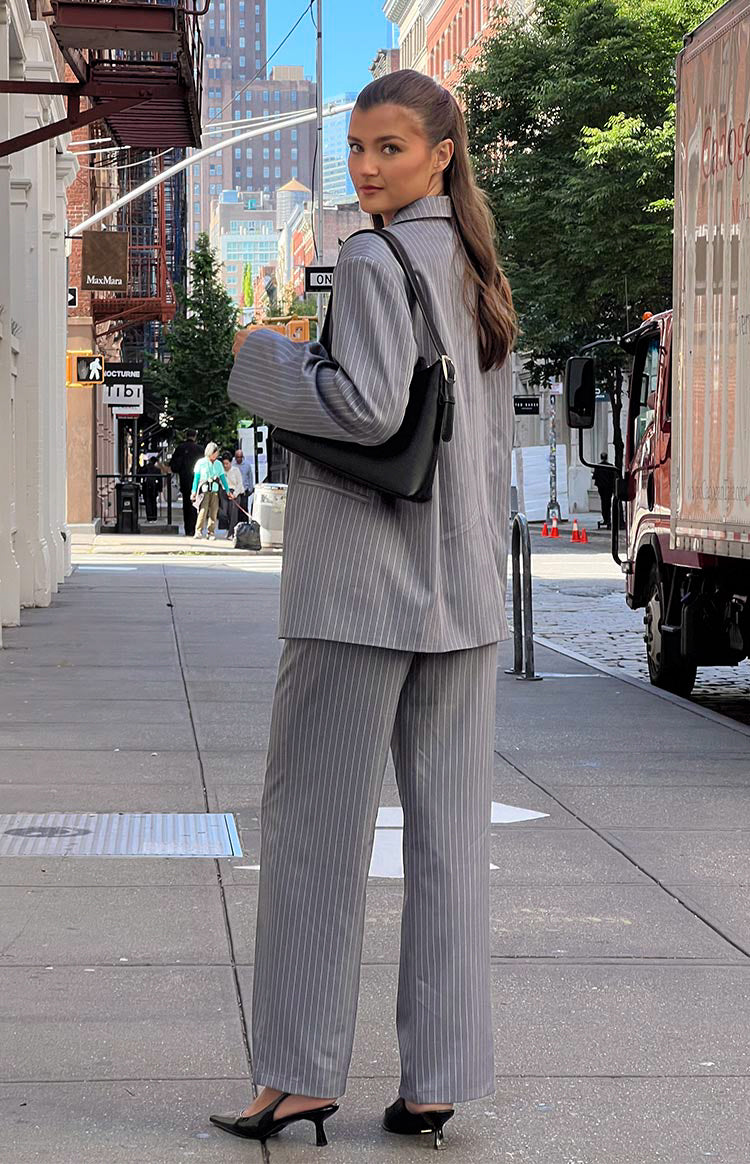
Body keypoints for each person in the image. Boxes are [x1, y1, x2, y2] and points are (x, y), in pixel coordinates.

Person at [213, 69, 517, 1150]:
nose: (366, 167)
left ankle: (297, 1075)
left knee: (312, 838)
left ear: (440, 154)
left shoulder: (371, 255)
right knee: (449, 843)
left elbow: (366, 406)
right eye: (356, 148)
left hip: (358, 597)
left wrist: (263, 362)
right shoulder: (476, 266)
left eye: (390, 148)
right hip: (465, 596)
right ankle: (436, 1076)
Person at [191, 442, 230, 540]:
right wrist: (194, 491)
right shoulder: (201, 462)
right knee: (202, 511)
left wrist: (227, 490)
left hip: (215, 489)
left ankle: (211, 532)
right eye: (214, 453)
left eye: (216, 453)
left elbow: (222, 478)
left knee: (214, 512)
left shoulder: (218, 464)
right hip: (204, 490)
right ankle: (198, 531)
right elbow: (196, 478)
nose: (215, 455)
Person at [169, 429, 202, 537]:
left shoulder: (180, 448)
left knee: (186, 505)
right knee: (197, 505)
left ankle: (188, 529)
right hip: (198, 482)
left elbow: (174, 466)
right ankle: (196, 528)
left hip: (185, 480)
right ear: (195, 436)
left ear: (186, 436)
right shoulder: (200, 450)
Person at [222, 453, 245, 539]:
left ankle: (232, 532)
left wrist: (234, 494)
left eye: (227, 464)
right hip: (225, 491)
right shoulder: (222, 471)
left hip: (235, 492)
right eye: (224, 464)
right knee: (224, 512)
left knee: (233, 513)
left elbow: (239, 484)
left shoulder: (236, 470)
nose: (225, 466)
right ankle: (227, 529)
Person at [593, 452, 614, 530]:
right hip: (609, 488)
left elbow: (595, 477)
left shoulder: (598, 466)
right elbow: (613, 477)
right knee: (608, 503)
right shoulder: (610, 467)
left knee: (603, 503)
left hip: (602, 488)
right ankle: (608, 519)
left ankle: (605, 518)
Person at [139, 455, 161, 523]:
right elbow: (160, 480)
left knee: (148, 502)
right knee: (153, 502)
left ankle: (149, 518)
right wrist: (160, 489)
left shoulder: (146, 468)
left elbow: (139, 473)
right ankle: (154, 517)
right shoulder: (157, 469)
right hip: (154, 486)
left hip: (146, 486)